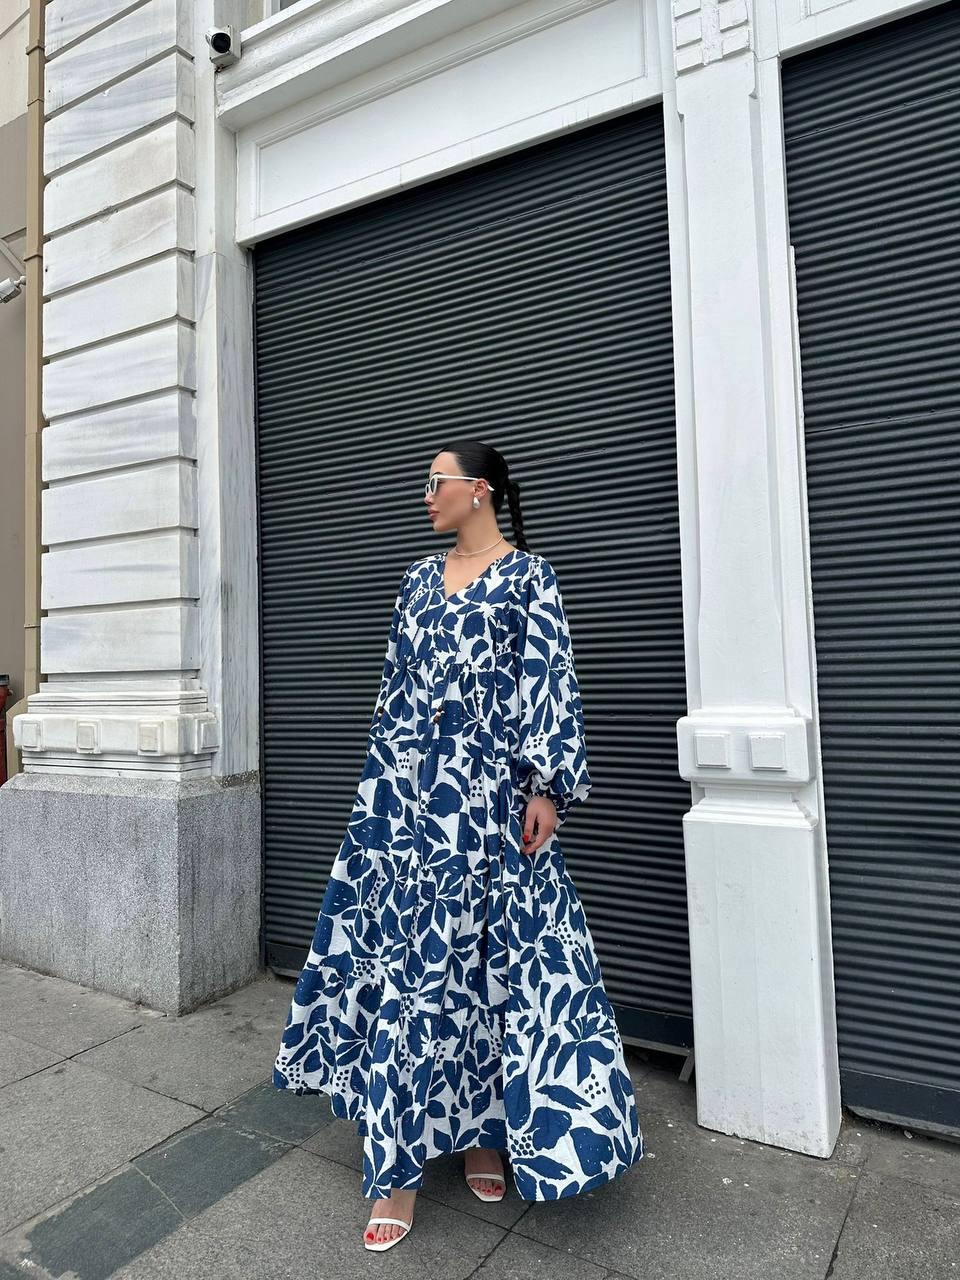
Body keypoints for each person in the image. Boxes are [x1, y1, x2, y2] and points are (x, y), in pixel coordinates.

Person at [273, 441, 644, 1251]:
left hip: (492, 804)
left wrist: (546, 787)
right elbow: (395, 691)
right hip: (408, 801)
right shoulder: (414, 579)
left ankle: (483, 1134)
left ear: (479, 491)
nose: (426, 496)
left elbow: (551, 679)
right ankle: (396, 1173)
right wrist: (378, 796)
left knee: (488, 972)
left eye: (436, 483)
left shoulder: (530, 578)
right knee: (413, 971)